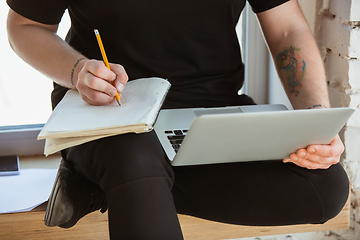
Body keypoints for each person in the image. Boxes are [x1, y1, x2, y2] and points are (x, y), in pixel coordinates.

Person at [6, 0, 349, 239]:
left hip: (211, 109)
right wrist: (77, 70)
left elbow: (288, 29)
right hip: (110, 109)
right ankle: (127, 177)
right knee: (137, 163)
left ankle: (105, 184)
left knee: (324, 188)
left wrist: (316, 119)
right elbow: (25, 26)